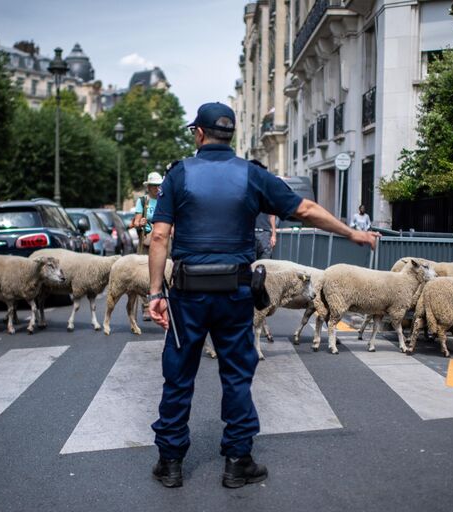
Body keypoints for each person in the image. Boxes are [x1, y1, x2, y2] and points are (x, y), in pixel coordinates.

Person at [147, 102, 379, 489]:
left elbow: (158, 236)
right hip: (235, 292)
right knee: (237, 375)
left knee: (179, 376)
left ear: (199, 134)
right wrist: (351, 233)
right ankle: (237, 462)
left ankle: (171, 463)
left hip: (187, 294)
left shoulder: (179, 175)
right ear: (230, 135)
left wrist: (156, 291)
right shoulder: (251, 175)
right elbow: (304, 208)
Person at [133, 171, 164, 321]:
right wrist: (140, 223)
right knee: (144, 273)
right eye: (154, 186)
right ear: (149, 187)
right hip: (147, 240)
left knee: (163, 271)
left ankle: (162, 304)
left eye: (159, 185)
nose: (156, 188)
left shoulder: (165, 199)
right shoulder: (143, 201)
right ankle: (145, 306)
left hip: (163, 240)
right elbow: (136, 221)